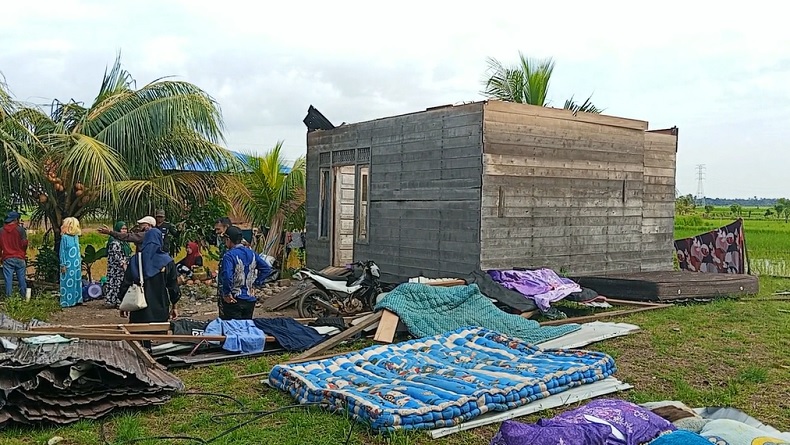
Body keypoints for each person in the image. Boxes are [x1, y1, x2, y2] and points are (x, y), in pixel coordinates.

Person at [118, 229, 180, 324]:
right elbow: (173, 286)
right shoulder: (167, 261)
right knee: (158, 337)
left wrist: (125, 303)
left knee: (138, 337)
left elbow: (126, 283)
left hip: (138, 310)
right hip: (160, 310)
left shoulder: (135, 260)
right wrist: (174, 306)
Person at [219, 226, 271, 320]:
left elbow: (227, 276)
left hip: (234, 299)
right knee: (246, 328)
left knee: (233, 330)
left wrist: (226, 294)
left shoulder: (229, 255)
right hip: (249, 299)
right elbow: (266, 269)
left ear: (228, 239)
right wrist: (256, 284)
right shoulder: (252, 253)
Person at [0, 211, 28, 297]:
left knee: (8, 280)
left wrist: (1, 257)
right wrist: (23, 253)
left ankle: (9, 299)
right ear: (16, 220)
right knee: (22, 279)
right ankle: (23, 298)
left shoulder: (1, 231)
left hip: (7, 258)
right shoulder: (20, 230)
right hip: (20, 257)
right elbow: (24, 243)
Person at [104, 221, 132, 308]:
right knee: (116, 284)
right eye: (122, 229)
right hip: (116, 268)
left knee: (121, 283)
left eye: (125, 229)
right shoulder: (114, 242)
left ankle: (120, 301)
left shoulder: (124, 241)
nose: (124, 231)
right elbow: (116, 255)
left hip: (123, 266)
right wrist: (123, 264)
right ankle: (116, 301)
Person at [59, 217, 82, 308]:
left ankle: (77, 299)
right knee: (67, 282)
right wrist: (63, 264)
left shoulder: (76, 237)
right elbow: (62, 252)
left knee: (76, 281)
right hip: (68, 263)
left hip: (76, 263)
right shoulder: (64, 238)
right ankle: (67, 301)